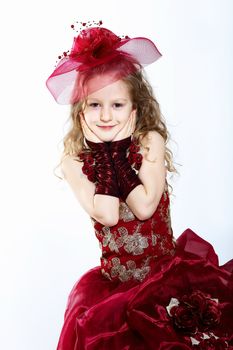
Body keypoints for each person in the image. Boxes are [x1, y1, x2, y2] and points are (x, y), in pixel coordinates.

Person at [46, 22, 233, 350]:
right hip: (113, 288)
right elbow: (107, 214)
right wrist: (105, 153)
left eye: (117, 105)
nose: (106, 116)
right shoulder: (74, 160)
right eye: (94, 105)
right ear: (80, 111)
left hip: (165, 280)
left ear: (135, 107)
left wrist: (118, 153)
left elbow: (144, 205)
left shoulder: (150, 141)